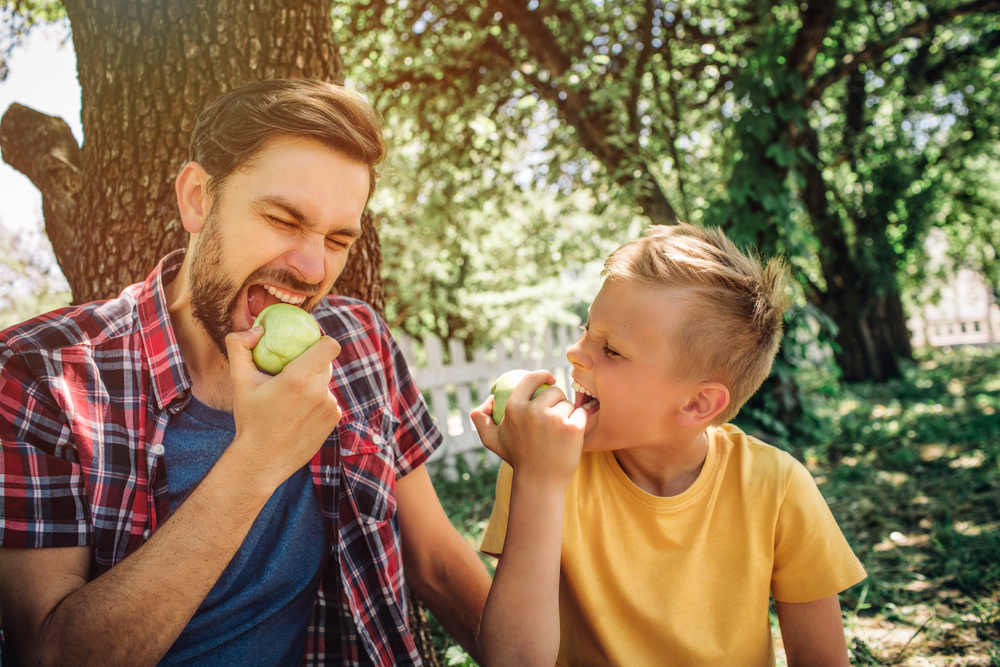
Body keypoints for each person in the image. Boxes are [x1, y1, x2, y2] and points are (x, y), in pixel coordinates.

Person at [0, 79, 491, 666]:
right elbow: (51, 656)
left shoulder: (357, 342)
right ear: (197, 199)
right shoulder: (37, 374)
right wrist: (257, 462)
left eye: (338, 239)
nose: (313, 269)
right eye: (284, 219)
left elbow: (434, 560)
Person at [470, 223, 867, 667]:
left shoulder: (776, 485)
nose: (576, 353)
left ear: (698, 403)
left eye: (612, 350)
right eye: (587, 329)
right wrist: (538, 482)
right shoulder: (541, 467)